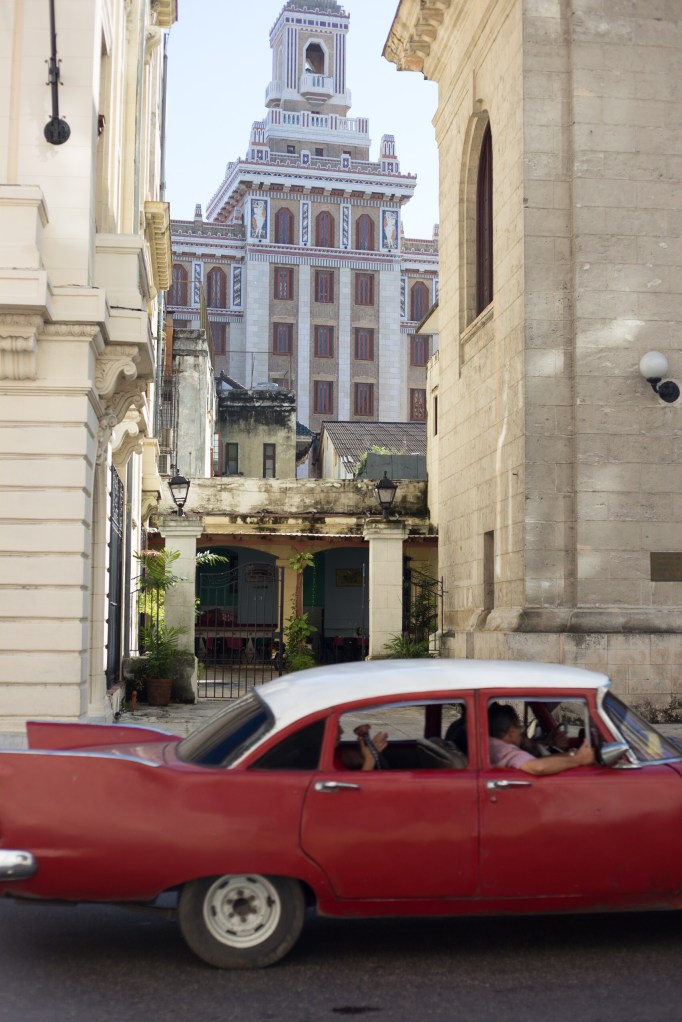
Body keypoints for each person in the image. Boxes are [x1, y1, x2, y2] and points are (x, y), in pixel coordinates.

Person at [488, 703, 595, 775]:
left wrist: (571, 754)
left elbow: (536, 755)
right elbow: (537, 766)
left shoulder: (491, 745)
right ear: (511, 732)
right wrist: (578, 759)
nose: (521, 731)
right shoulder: (504, 750)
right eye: (519, 727)